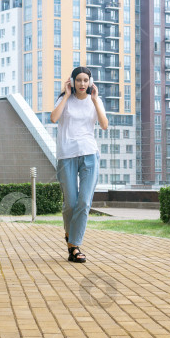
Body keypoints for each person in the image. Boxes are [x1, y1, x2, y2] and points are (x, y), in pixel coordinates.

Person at [50, 66, 109, 263]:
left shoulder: (95, 101)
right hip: (67, 154)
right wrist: (66, 96)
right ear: (72, 82)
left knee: (84, 202)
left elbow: (104, 124)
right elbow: (54, 118)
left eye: (86, 80)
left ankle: (74, 245)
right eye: (79, 80)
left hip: (90, 154)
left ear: (90, 82)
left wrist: (94, 100)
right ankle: (71, 239)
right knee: (70, 204)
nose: (82, 84)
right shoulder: (64, 99)